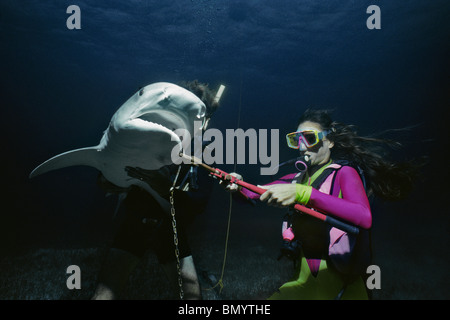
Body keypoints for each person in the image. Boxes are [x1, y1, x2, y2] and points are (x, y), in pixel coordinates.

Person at [226, 109, 419, 300]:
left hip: (342, 286)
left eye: (309, 138)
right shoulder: (297, 178)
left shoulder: (344, 172)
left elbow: (364, 217)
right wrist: (236, 184)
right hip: (302, 281)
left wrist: (304, 193)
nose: (302, 148)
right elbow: (253, 191)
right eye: (296, 140)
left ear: (330, 141)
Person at [91, 80, 219, 300]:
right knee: (105, 293)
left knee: (192, 297)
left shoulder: (203, 154)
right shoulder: (144, 131)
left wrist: (163, 187)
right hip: (136, 218)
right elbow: (110, 166)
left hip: (172, 228)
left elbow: (198, 204)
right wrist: (106, 179)